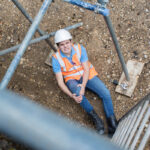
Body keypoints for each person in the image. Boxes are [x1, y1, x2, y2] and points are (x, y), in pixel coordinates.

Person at [52, 29, 118, 136]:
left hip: (87, 75)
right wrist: (72, 96)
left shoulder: (79, 49)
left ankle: (112, 123)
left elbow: (86, 69)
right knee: (78, 95)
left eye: (67, 43)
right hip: (72, 80)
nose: (65, 46)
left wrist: (83, 86)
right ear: (58, 46)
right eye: (61, 44)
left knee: (105, 93)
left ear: (71, 41)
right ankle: (97, 120)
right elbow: (60, 82)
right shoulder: (55, 59)